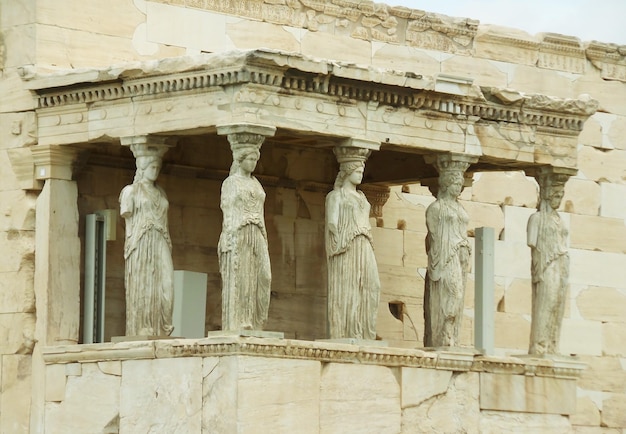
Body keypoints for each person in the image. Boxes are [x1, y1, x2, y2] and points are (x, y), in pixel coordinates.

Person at [120, 147, 174, 336]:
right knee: (144, 282)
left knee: (167, 284)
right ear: (142, 167)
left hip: (160, 239)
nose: (155, 170)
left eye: (158, 166)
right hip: (141, 242)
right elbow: (127, 217)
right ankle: (142, 326)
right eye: (152, 166)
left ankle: (162, 325)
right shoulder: (130, 192)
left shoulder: (161, 193)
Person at [325, 158, 381, 340]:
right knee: (349, 287)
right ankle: (348, 332)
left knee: (372, 286)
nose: (360, 174)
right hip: (347, 245)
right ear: (348, 172)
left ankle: (366, 333)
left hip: (365, 243)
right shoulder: (336, 196)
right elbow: (332, 224)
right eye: (357, 171)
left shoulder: (362, 197)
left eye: (361, 171)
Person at [218, 146, 271, 331]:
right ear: (240, 160)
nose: (253, 163)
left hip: (257, 232)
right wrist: (230, 237)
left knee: (264, 276)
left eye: (255, 160)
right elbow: (228, 210)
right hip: (239, 231)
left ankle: (257, 321)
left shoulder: (256, 183)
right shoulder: (231, 183)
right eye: (249, 159)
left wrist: (263, 235)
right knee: (243, 277)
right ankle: (241, 321)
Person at [424, 169, 471, 347]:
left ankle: (450, 337)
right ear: (446, 184)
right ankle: (442, 336)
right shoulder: (435, 208)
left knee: (458, 296)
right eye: (455, 184)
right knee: (453, 293)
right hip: (446, 256)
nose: (458, 188)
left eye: (460, 184)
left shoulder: (460, 208)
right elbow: (433, 237)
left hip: (461, 255)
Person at [527, 173, 569, 355]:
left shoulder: (559, 219)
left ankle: (552, 345)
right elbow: (532, 242)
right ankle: (539, 345)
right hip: (546, 265)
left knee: (557, 304)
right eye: (556, 195)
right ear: (546, 195)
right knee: (546, 302)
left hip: (561, 263)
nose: (558, 200)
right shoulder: (536, 219)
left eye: (561, 196)